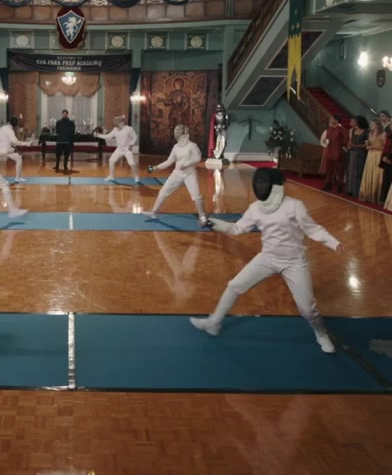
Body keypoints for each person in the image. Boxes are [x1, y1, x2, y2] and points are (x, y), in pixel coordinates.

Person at [190, 168, 342, 354]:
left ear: (275, 185)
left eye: (263, 182)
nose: (260, 186)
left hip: (294, 262)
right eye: (258, 182)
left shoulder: (294, 206)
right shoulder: (255, 208)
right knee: (234, 286)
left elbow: (312, 229)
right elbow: (237, 228)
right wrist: (212, 222)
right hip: (268, 258)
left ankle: (321, 334)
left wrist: (332, 242)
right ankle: (214, 323)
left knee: (308, 310)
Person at [144, 125, 207, 224]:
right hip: (177, 173)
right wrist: (156, 167)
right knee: (163, 192)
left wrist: (187, 164)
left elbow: (198, 158)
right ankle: (154, 212)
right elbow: (169, 161)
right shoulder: (176, 147)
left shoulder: (192, 146)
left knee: (196, 196)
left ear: (185, 135)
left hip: (190, 174)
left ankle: (202, 216)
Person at [94, 115, 140, 184]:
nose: (116, 123)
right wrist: (98, 135)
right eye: (116, 122)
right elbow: (108, 136)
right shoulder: (115, 129)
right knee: (111, 160)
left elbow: (135, 136)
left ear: (122, 122)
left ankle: (136, 177)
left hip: (127, 149)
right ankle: (111, 176)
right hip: (119, 149)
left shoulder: (129, 129)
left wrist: (131, 144)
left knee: (132, 163)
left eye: (118, 122)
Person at [0, 116, 32, 183]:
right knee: (19, 159)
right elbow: (15, 142)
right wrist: (26, 144)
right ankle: (18, 178)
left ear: (9, 122)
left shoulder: (2, 128)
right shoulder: (10, 131)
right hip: (6, 150)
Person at [357, 121, 386, 202]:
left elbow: (385, 147)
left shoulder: (383, 134)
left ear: (377, 125)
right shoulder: (370, 134)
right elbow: (370, 145)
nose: (370, 125)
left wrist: (374, 147)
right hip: (370, 155)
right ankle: (368, 193)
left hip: (378, 155)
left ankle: (376, 194)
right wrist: (368, 144)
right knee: (369, 172)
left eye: (372, 124)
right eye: (370, 124)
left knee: (376, 173)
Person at [319, 115, 347, 192]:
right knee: (328, 169)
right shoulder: (329, 129)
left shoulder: (342, 130)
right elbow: (326, 139)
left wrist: (337, 143)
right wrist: (325, 141)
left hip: (337, 151)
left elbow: (345, 141)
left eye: (332, 119)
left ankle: (340, 186)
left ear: (337, 120)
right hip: (329, 151)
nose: (330, 120)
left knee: (339, 170)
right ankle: (328, 184)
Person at [344, 116, 369, 198]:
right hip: (352, 152)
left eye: (356, 121)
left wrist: (356, 145)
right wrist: (350, 144)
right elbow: (351, 140)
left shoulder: (366, 132)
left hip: (361, 153)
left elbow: (366, 145)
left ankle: (356, 190)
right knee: (351, 171)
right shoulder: (354, 130)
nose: (354, 122)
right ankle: (349, 189)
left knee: (358, 171)